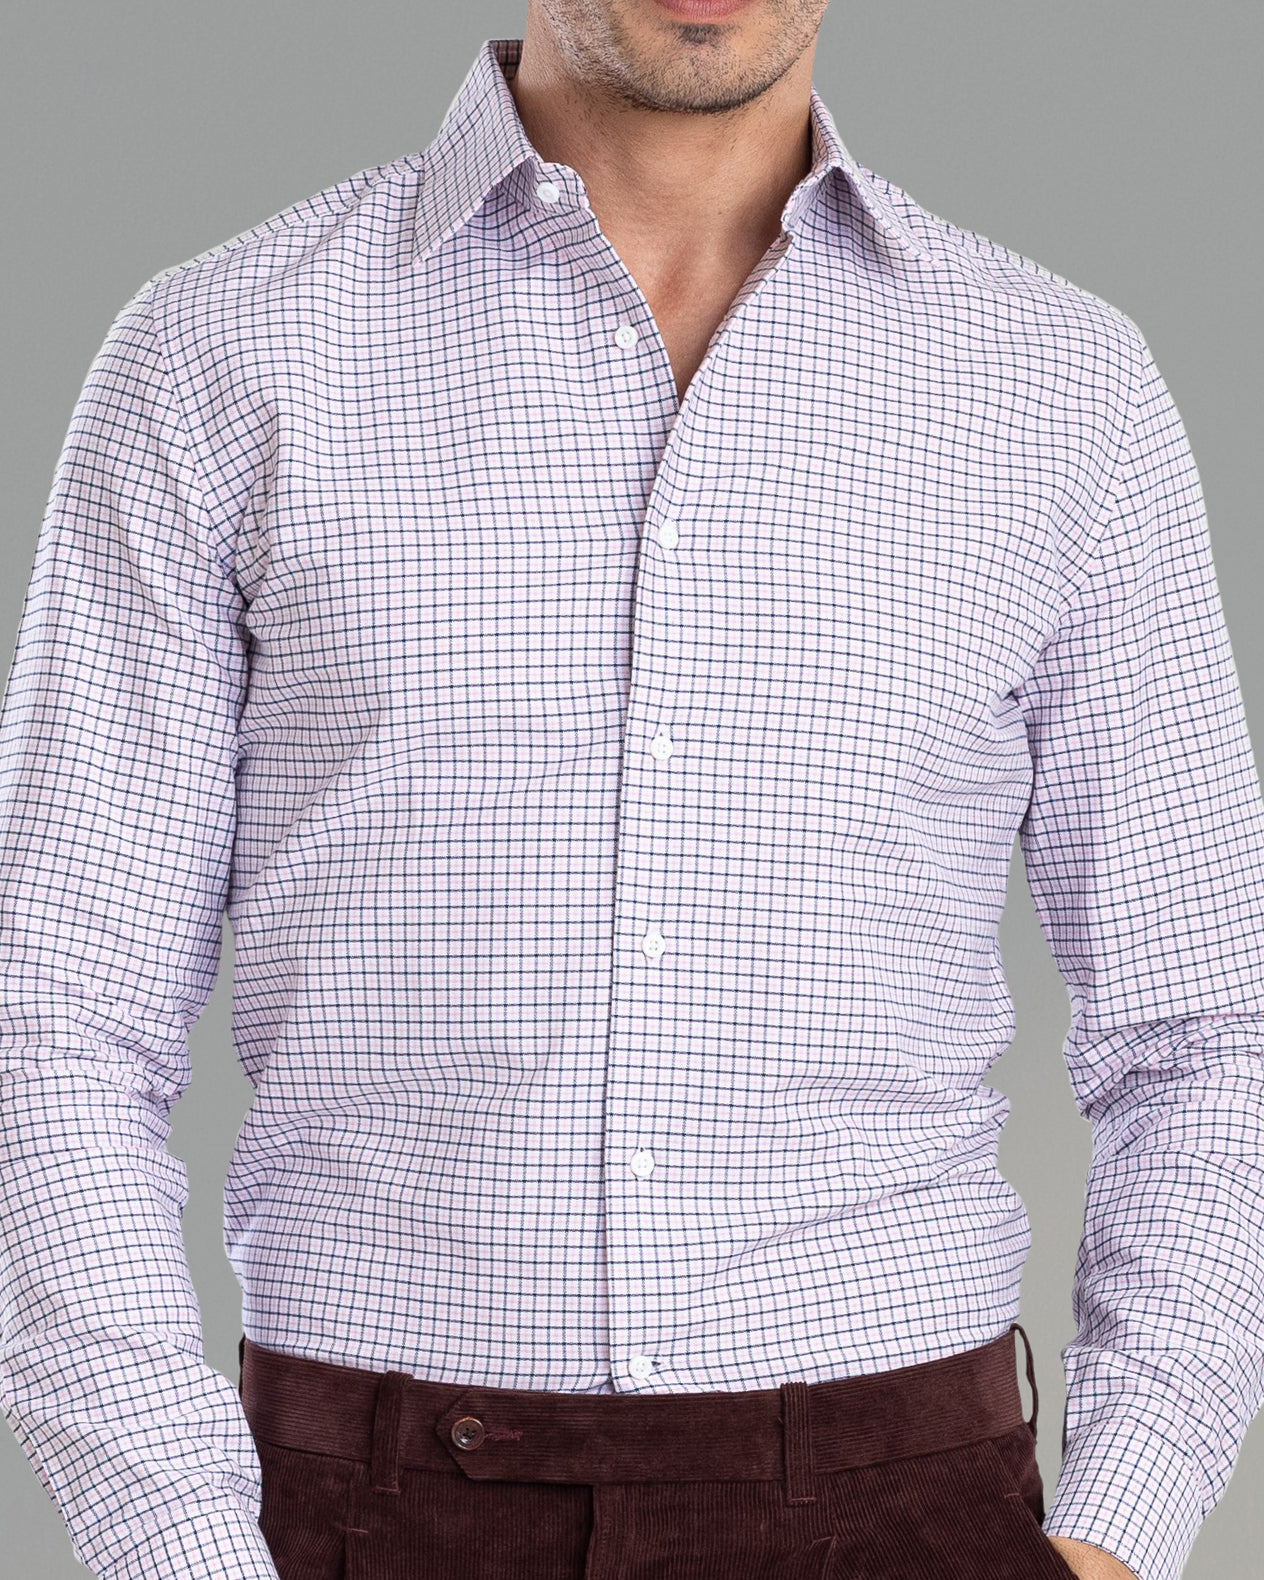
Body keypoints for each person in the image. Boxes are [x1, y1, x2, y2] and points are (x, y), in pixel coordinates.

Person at [1, 3, 1261, 1578]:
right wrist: (174, 1546)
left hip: (904, 1510)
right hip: (365, 1516)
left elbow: (1207, 1025)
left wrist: (1122, 1523)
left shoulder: (1062, 388)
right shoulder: (224, 353)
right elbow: (52, 1020)